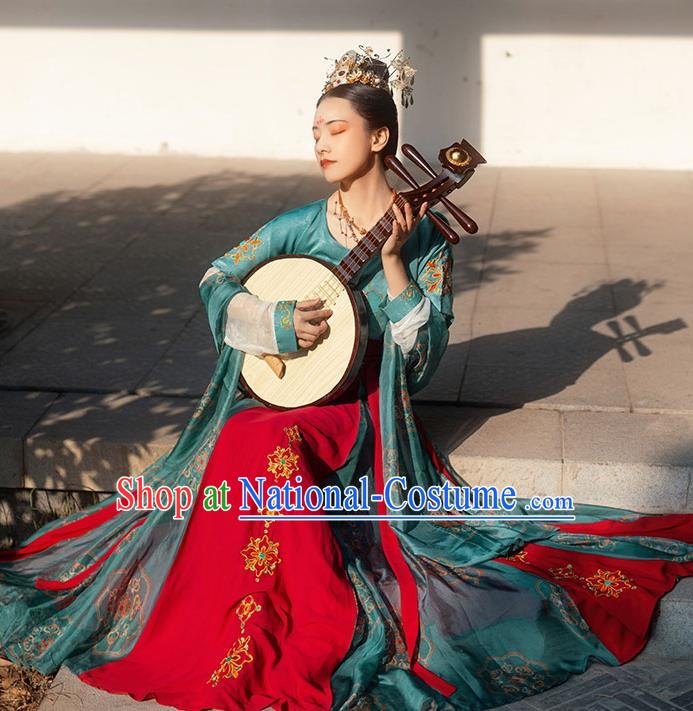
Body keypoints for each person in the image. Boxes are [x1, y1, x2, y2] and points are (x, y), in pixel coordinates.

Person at [1, 45, 692, 711]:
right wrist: (272, 323)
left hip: (358, 407)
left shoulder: (421, 237)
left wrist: (392, 262)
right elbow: (216, 275)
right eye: (314, 131)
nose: (321, 144)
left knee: (279, 447)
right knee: (245, 431)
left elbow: (418, 364)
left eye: (337, 128)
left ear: (381, 136)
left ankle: (297, 620)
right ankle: (231, 618)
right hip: (284, 387)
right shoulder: (299, 225)